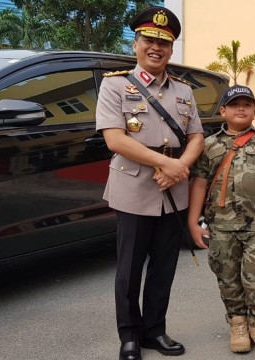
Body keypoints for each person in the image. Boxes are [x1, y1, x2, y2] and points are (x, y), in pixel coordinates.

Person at [96, 6, 202, 360]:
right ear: (136, 42)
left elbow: (197, 137)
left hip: (173, 189)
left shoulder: (184, 90)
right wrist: (165, 163)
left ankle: (155, 330)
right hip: (134, 186)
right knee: (129, 268)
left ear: (171, 49)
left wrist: (180, 166)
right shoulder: (116, 84)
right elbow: (115, 140)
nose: (155, 47)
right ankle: (129, 335)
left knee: (163, 267)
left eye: (164, 42)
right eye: (149, 40)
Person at [187, 85, 255, 355]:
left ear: (254, 109)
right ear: (223, 110)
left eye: (247, 103)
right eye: (235, 104)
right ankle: (237, 323)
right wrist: (192, 223)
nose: (242, 108)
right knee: (228, 277)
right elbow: (199, 185)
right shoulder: (209, 145)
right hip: (221, 227)